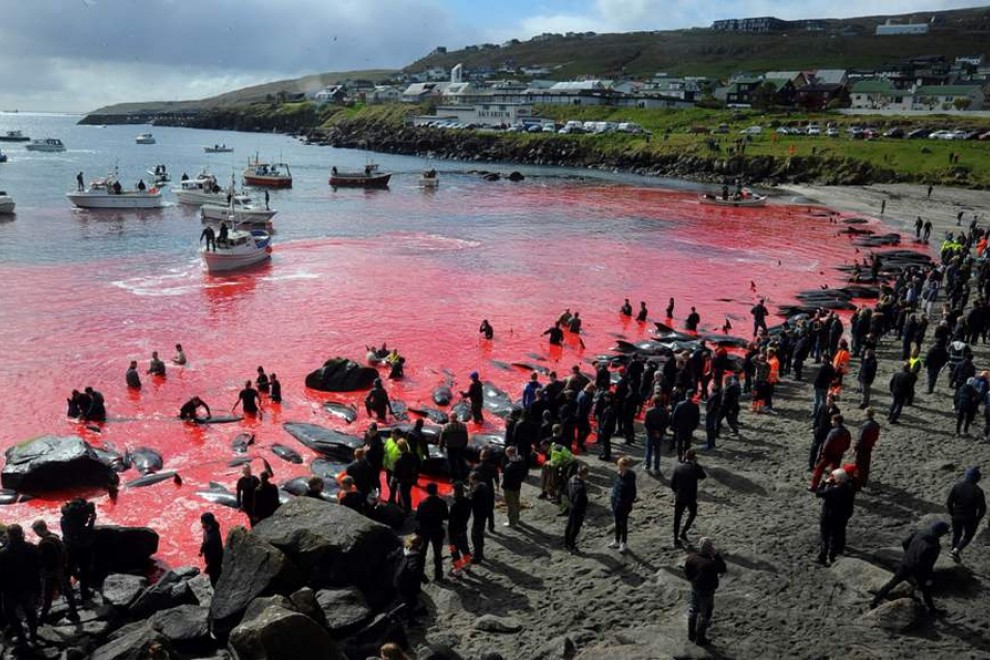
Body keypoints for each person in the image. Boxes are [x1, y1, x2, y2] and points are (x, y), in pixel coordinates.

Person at [870, 520, 950, 614]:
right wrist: (929, 577)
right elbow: (928, 564)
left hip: (906, 563)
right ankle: (932, 609)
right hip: (919, 569)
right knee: (926, 589)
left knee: (892, 583)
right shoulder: (934, 546)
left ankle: (874, 601)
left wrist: (909, 554)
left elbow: (904, 542)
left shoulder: (920, 532)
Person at [31, 520, 79, 624]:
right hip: (63, 570)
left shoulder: (46, 544)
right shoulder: (55, 537)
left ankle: (42, 619)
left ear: (39, 530)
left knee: (47, 597)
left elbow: (47, 562)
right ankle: (74, 612)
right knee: (67, 592)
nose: (36, 534)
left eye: (36, 531)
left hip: (52, 574)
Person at [0, 524, 41, 645]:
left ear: (8, 535)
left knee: (11, 615)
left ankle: (21, 638)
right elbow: (40, 566)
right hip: (29, 587)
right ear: (22, 533)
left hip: (10, 590)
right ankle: (33, 636)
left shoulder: (3, 553)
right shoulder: (32, 548)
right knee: (30, 612)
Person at [684, 537, 727, 646]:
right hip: (707, 592)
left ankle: (691, 634)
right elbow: (722, 568)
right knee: (706, 614)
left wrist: (693, 581)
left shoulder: (691, 557)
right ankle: (700, 638)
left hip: (695, 588)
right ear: (709, 548)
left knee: (693, 610)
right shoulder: (710, 564)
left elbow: (687, 573)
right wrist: (716, 555)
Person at [816, 468, 855, 565]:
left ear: (838, 479)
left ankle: (823, 556)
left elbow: (819, 493)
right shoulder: (849, 489)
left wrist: (824, 483)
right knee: (837, 535)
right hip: (841, 516)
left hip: (829, 516)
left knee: (825, 537)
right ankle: (834, 555)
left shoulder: (833, 490)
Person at [60, 497, 96, 600]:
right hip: (82, 549)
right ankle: (84, 593)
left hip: (68, 546)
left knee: (68, 569)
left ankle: (67, 591)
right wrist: (92, 520)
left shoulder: (63, 519)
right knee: (85, 570)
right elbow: (87, 532)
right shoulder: (80, 526)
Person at [946, 466, 986, 562]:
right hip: (970, 517)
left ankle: (953, 551)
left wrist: (952, 513)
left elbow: (949, 502)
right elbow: (982, 508)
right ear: (976, 478)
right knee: (968, 536)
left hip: (957, 515)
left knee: (956, 535)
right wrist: (978, 518)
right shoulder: (978, 491)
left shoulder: (957, 486)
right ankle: (956, 551)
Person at [672, 450, 707, 546]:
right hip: (690, 497)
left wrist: (677, 492)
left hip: (680, 496)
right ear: (694, 458)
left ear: (685, 456)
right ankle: (683, 532)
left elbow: (673, 484)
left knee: (677, 518)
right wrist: (697, 465)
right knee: (693, 513)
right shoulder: (695, 467)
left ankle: (675, 539)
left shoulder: (678, 466)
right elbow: (703, 476)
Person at [415, 483, 448, 582]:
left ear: (427, 491)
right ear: (436, 490)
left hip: (424, 531)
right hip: (437, 530)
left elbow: (418, 517)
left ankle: (421, 575)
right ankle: (438, 575)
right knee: (437, 554)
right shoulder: (442, 502)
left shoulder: (422, 503)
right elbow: (446, 516)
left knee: (422, 554)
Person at [811, 414, 851, 490]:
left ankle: (814, 485)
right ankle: (830, 487)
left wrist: (823, 453)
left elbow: (827, 444)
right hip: (838, 455)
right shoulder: (846, 432)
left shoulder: (833, 432)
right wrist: (842, 450)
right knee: (834, 471)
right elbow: (848, 444)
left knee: (819, 469)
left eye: (832, 421)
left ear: (836, 422)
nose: (831, 422)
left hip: (828, 454)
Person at [393, 535, 427, 623]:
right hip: (407, 583)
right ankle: (410, 621)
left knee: (404, 600)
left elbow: (390, 558)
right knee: (411, 603)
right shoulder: (415, 555)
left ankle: (405, 618)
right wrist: (423, 578)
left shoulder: (402, 549)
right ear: (420, 545)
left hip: (397, 579)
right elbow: (414, 569)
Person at [609, 456, 637, 553]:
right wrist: (613, 498)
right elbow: (616, 487)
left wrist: (628, 503)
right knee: (617, 522)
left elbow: (632, 492)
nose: (618, 467)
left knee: (624, 523)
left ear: (625, 466)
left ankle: (623, 543)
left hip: (624, 505)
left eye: (619, 465)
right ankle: (616, 540)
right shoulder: (619, 474)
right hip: (616, 502)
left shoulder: (630, 477)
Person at [447, 482, 473, 576]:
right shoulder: (468, 501)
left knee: (454, 550)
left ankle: (457, 569)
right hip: (463, 528)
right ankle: (467, 564)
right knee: (465, 547)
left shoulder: (454, 505)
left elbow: (451, 520)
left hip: (454, 531)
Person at [564, 463, 590, 553]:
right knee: (575, 528)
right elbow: (579, 501)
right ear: (584, 474)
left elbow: (566, 491)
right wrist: (582, 511)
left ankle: (566, 543)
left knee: (569, 525)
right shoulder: (580, 488)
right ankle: (571, 545)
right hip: (577, 509)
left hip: (571, 505)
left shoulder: (571, 479)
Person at [854, 408, 880, 488]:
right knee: (866, 464)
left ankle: (857, 483)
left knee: (859, 464)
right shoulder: (876, 424)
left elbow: (860, 438)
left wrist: (855, 447)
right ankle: (864, 481)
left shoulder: (864, 425)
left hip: (862, 447)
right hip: (869, 446)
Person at [501, 445, 526, 527]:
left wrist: (503, 486)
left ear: (509, 454)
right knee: (516, 502)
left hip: (509, 488)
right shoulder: (521, 462)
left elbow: (506, 479)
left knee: (511, 504)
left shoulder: (509, 466)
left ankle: (512, 522)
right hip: (517, 486)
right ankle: (517, 518)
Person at [644, 396, 669, 475]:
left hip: (650, 434)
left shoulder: (649, 411)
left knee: (649, 451)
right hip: (660, 434)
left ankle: (647, 466)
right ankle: (656, 468)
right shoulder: (665, 411)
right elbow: (666, 423)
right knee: (657, 452)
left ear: (653, 402)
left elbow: (646, 424)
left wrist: (653, 431)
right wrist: (659, 432)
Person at [671, 394, 700, 462]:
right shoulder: (695, 406)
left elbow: (674, 416)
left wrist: (674, 426)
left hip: (680, 427)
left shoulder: (679, 404)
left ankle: (679, 457)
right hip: (689, 428)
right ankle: (686, 456)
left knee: (679, 443)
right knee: (687, 443)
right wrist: (694, 427)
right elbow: (697, 419)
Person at [439, 416, 469, 481]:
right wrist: (464, 445)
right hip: (460, 447)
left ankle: (453, 477)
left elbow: (442, 439)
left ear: (450, 418)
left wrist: (441, 447)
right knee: (461, 461)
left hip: (450, 447)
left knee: (451, 463)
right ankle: (463, 475)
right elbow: (466, 437)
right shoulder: (463, 426)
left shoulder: (446, 427)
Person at [393, 439, 419, 513]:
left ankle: (405, 510)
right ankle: (407, 509)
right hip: (410, 479)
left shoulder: (399, 460)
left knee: (403, 495)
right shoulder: (412, 456)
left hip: (402, 480)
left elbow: (396, 472)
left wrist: (393, 480)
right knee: (407, 494)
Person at [468, 472, 489, 563]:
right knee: (479, 533)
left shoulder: (477, 490)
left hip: (478, 514)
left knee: (475, 535)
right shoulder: (484, 486)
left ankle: (477, 555)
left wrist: (470, 490)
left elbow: (470, 501)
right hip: (484, 512)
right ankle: (479, 552)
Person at [199, 512, 223, 587]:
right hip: (209, 557)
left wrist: (209, 567)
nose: (201, 523)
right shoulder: (207, 530)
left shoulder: (213, 536)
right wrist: (201, 550)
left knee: (215, 578)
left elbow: (215, 554)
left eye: (202, 521)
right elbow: (205, 542)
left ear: (207, 523)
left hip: (215, 561)